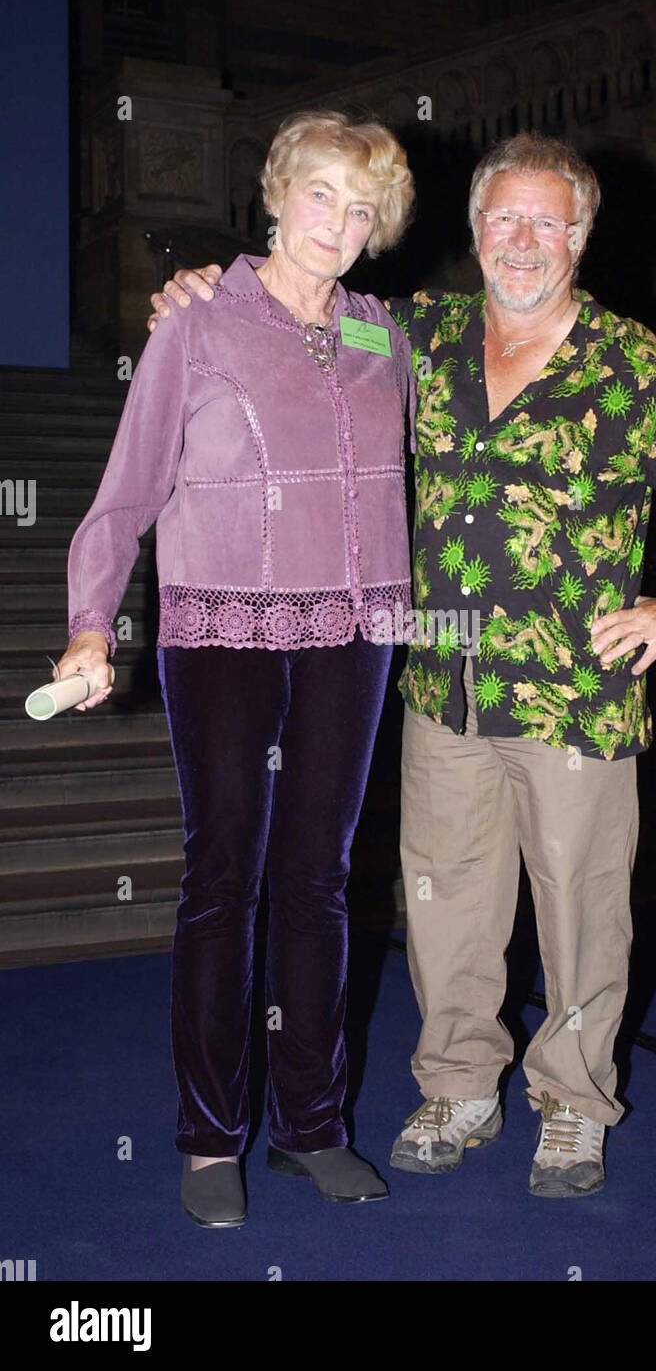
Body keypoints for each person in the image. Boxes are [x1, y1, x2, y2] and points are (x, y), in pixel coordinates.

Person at [147, 130, 656, 1199]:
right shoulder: (412, 336)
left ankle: (572, 1105)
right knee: (446, 904)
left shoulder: (629, 361)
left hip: (576, 696)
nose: (522, 241)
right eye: (503, 218)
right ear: (475, 229)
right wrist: (204, 289)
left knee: (581, 909)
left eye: (546, 221)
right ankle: (459, 1086)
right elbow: (302, 312)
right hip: (442, 688)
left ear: (579, 233)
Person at [59, 109, 416, 1226]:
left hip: (354, 630)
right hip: (219, 622)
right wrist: (88, 621)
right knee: (224, 877)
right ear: (277, 192)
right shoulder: (199, 319)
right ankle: (211, 1138)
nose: (339, 225)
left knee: (320, 879)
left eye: (364, 210)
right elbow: (126, 487)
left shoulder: (382, 335)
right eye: (322, 195)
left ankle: (313, 1124)